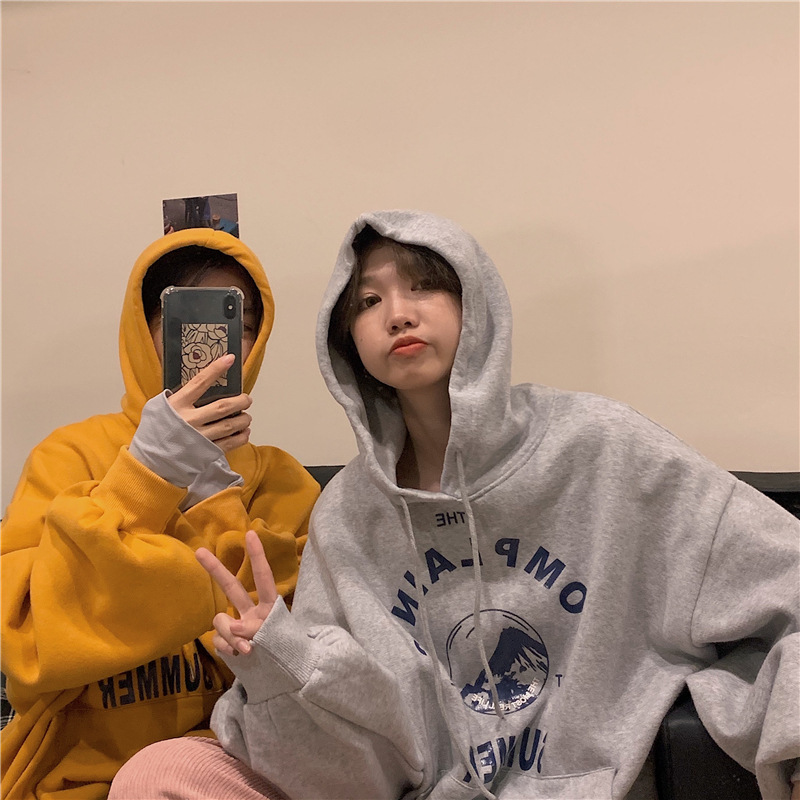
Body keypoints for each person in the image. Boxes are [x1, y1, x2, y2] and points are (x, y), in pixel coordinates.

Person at [110, 211, 799, 800]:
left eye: (424, 286)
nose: (398, 313)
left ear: (477, 304)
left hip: (581, 787)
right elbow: (357, 763)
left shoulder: (601, 447)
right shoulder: (348, 511)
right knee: (164, 774)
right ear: (348, 341)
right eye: (369, 301)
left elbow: (781, 579)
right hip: (417, 787)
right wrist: (286, 665)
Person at [0, 228, 320, 799]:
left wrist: (212, 498)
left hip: (235, 768)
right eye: (183, 323)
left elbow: (304, 665)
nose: (212, 349)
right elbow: (29, 646)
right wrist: (146, 477)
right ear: (144, 336)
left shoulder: (282, 481)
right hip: (71, 779)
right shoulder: (68, 456)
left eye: (238, 326)